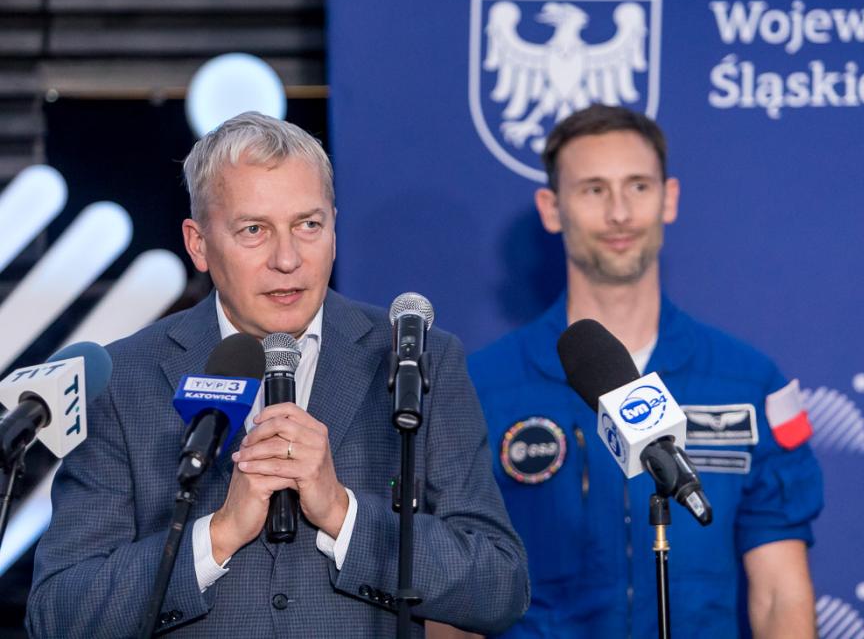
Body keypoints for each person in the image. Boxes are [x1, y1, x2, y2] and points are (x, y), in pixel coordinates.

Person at [26, 112, 529, 637]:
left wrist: (342, 513)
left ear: (334, 227)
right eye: (254, 230)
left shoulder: (418, 359)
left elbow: (499, 588)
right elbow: (59, 616)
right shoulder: (125, 380)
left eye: (308, 225)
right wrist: (217, 535)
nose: (287, 259)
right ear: (198, 244)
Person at [469, 105, 823, 638]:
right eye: (593, 189)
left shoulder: (750, 381)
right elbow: (456, 593)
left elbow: (780, 596)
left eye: (637, 186)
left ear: (669, 198)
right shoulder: (483, 385)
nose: (619, 213)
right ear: (552, 208)